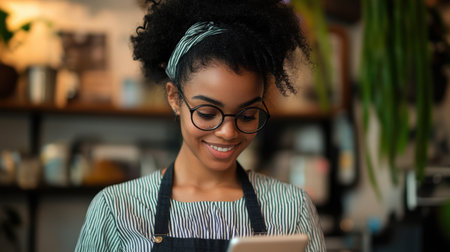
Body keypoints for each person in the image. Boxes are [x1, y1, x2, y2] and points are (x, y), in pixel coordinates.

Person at [75, 0, 326, 251]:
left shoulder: (292, 208)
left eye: (248, 115)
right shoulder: (117, 209)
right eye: (207, 113)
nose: (228, 132)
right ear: (174, 98)